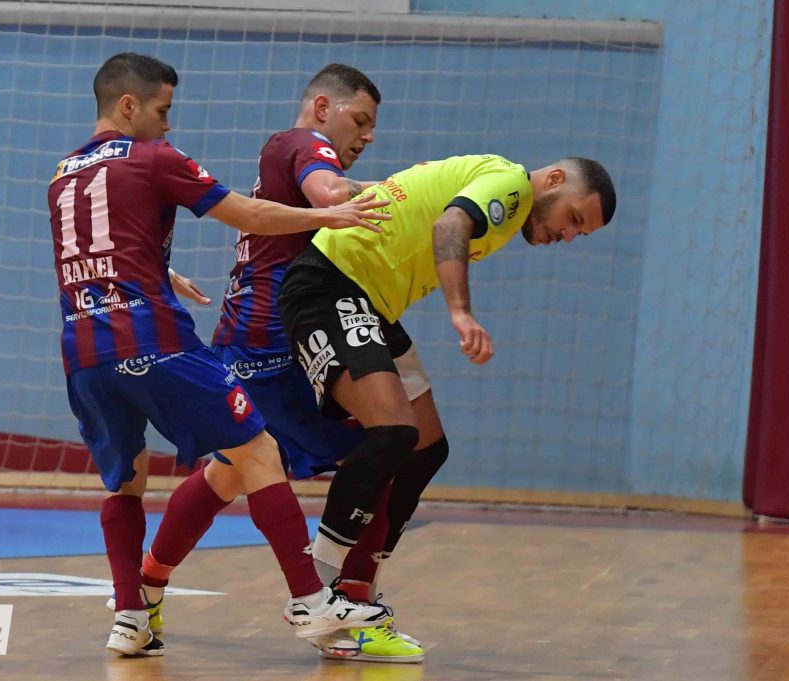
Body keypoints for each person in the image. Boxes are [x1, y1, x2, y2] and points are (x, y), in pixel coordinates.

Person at [46, 52, 394, 657]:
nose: (167, 124)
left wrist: (160, 272)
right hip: (155, 341)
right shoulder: (153, 156)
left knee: (127, 481)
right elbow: (248, 213)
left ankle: (130, 616)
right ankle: (310, 600)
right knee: (259, 451)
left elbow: (94, 251)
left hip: (83, 350)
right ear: (128, 105)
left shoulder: (61, 174)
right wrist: (329, 214)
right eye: (162, 110)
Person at [133, 64, 428, 663]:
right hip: (272, 350)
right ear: (322, 108)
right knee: (387, 446)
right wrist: (419, 193)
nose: (367, 134)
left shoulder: (287, 153)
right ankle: (343, 607)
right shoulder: (304, 144)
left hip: (255, 343)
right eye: (359, 119)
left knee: (229, 473)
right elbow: (330, 194)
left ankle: (146, 589)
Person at [275, 154, 616, 658]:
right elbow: (449, 224)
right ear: (555, 180)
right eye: (574, 219)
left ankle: (356, 596)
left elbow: (422, 199)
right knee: (393, 431)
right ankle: (313, 593)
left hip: (371, 305)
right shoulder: (511, 185)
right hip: (331, 286)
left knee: (426, 449)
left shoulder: (496, 190)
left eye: (578, 234)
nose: (567, 236)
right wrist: (461, 312)